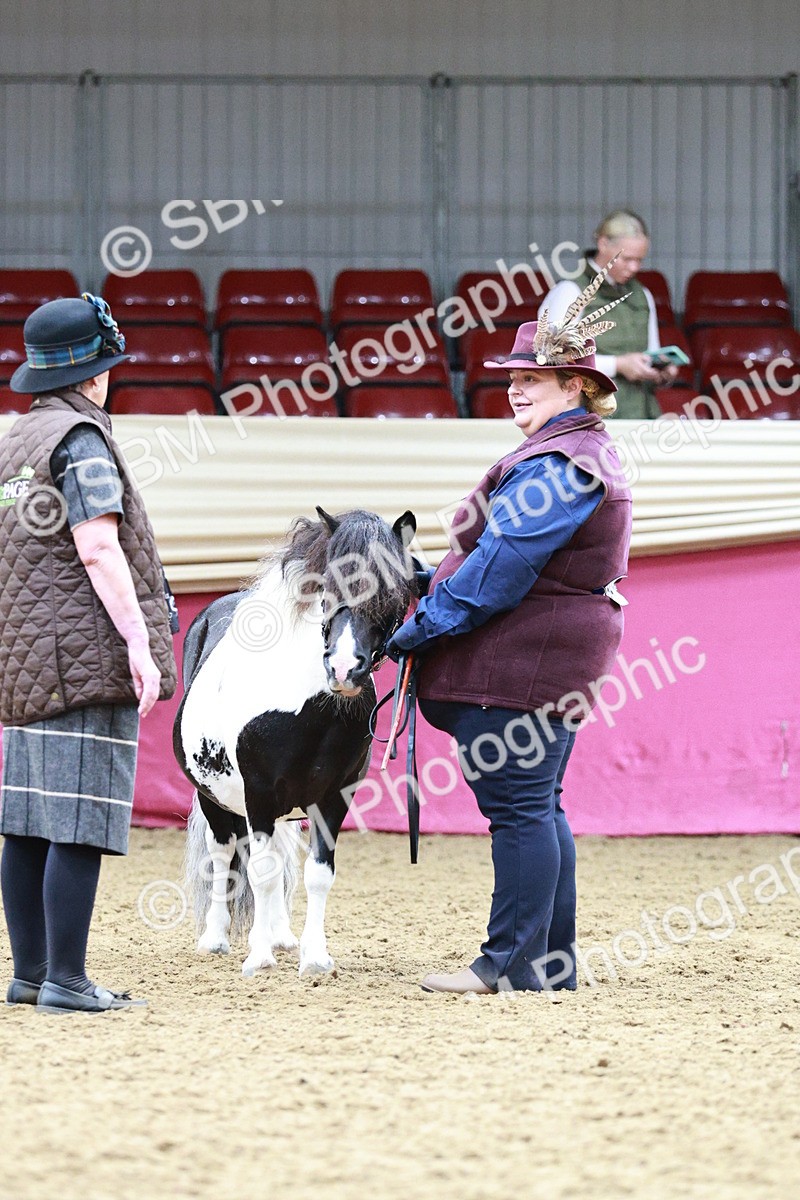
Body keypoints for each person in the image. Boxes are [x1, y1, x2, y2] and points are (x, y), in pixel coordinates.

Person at [386, 263, 633, 994]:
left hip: (522, 663)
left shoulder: (559, 462)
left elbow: (500, 567)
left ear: (578, 387)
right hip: (547, 656)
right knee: (537, 806)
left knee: (521, 810)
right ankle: (549, 965)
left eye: (537, 377)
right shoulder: (570, 453)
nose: (517, 388)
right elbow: (495, 557)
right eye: (515, 377)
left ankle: (510, 963)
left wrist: (417, 629)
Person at [0, 294, 178, 1013]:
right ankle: (69, 981)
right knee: (78, 815)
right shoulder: (81, 439)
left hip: (25, 657)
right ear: (96, 373)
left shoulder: (15, 440)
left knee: (27, 821)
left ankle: (32, 973)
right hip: (83, 655)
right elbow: (98, 545)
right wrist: (139, 642)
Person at [540, 209, 677, 419]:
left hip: (637, 412)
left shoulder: (642, 295)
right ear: (603, 244)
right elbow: (550, 357)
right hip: (586, 415)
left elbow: (650, 351)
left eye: (639, 260)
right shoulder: (571, 291)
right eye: (627, 259)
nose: (634, 267)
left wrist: (660, 371)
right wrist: (618, 365)